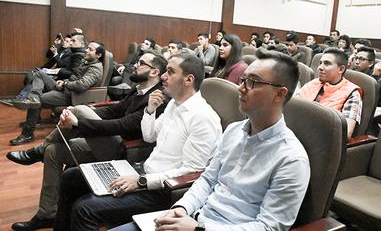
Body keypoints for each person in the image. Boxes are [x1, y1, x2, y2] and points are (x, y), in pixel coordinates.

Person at [112, 48, 311, 231]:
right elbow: (207, 179)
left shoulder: (291, 159)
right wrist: (183, 207)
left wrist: (200, 229)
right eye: (242, 80)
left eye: (252, 82)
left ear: (279, 94)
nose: (241, 88)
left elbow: (268, 227)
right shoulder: (234, 131)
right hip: (197, 218)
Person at [53, 53, 222, 230]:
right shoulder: (174, 103)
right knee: (70, 177)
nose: (163, 76)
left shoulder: (203, 118)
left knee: (85, 208)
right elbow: (150, 137)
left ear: (188, 79)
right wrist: (150, 111)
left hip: (162, 191)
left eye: (170, 72)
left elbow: (190, 172)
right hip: (143, 172)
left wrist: (141, 181)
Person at [5, 51, 168, 230]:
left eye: (142, 63)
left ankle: (36, 151)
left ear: (154, 72)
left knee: (80, 110)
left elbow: (122, 125)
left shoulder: (157, 98)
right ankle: (47, 213)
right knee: (53, 152)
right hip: (109, 141)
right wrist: (74, 114)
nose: (136, 65)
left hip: (125, 150)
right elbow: (114, 111)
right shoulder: (138, 89)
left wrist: (78, 122)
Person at [9, 39, 103, 146]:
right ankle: (33, 97)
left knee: (38, 100)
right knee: (39, 74)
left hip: (71, 95)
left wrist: (65, 84)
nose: (86, 50)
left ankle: (27, 134)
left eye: (90, 49)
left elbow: (81, 86)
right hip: (66, 88)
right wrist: (64, 81)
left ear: (98, 55)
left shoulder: (95, 69)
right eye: (87, 48)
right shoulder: (87, 62)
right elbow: (75, 78)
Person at [298, 47, 363, 139]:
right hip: (297, 132)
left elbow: (346, 133)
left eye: (327, 63)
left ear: (341, 69)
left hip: (321, 141)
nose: (320, 67)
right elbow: (293, 108)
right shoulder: (314, 83)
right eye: (320, 63)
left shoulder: (352, 93)